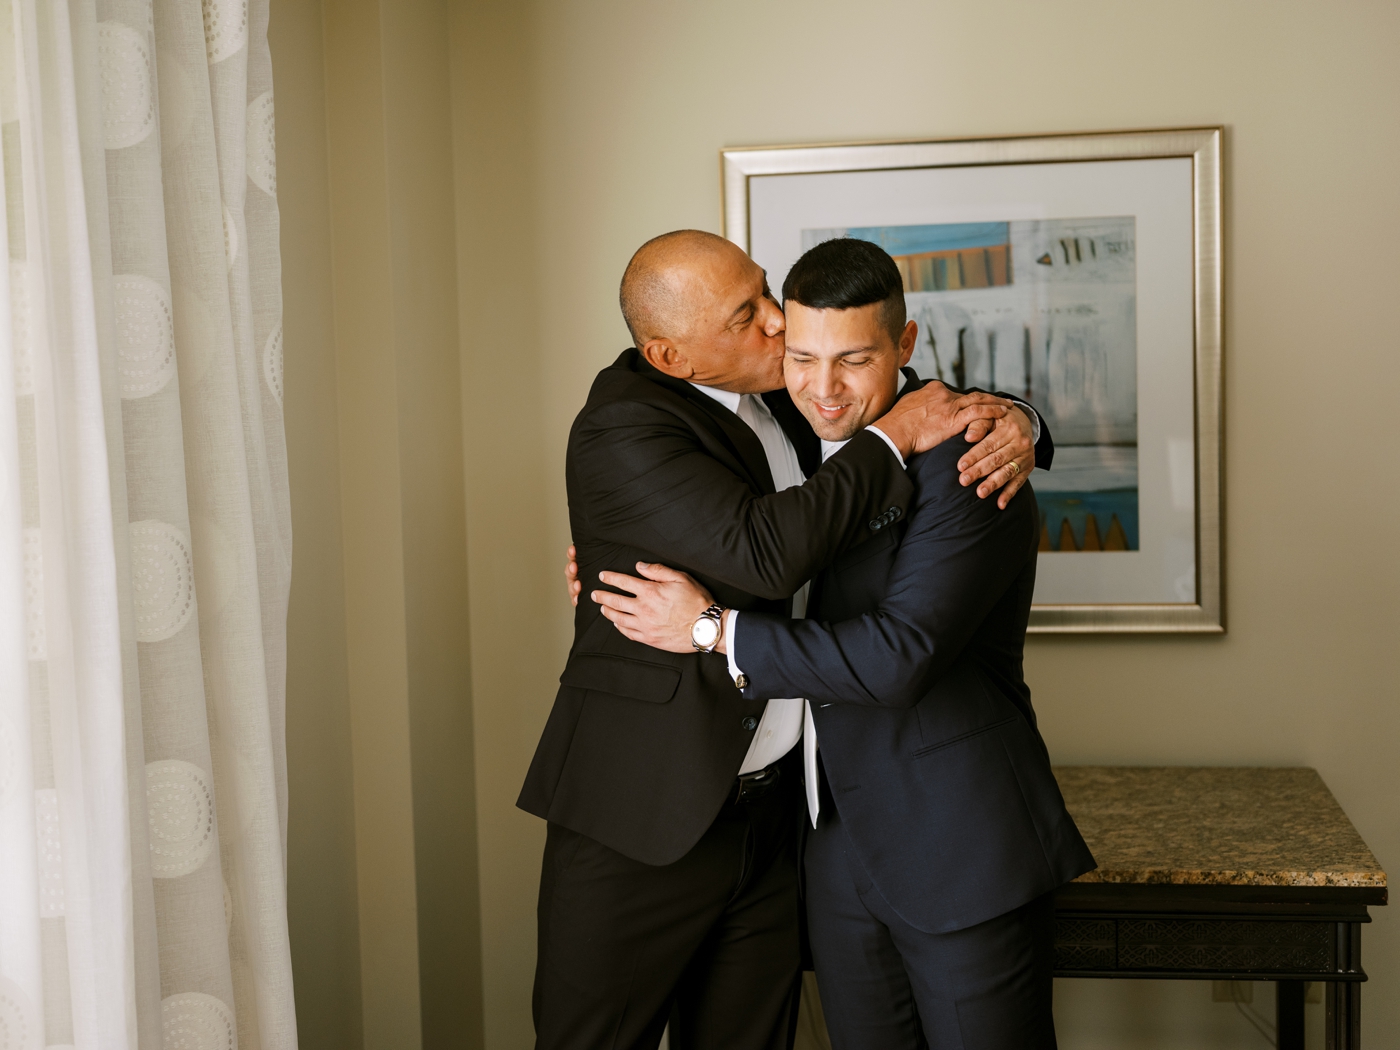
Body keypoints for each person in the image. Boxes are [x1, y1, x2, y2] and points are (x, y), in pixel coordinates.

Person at [521, 229, 1051, 1050]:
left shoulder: (808, 406)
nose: (778, 327)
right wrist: (621, 561)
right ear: (672, 356)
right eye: (749, 317)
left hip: (811, 823)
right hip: (650, 812)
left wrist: (1021, 420)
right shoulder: (631, 424)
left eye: (766, 294)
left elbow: (877, 388)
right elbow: (767, 548)